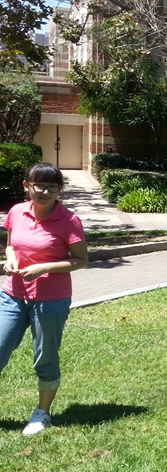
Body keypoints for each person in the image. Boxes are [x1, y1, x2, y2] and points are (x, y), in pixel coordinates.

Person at [0, 162, 88, 435]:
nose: (45, 191)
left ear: (59, 189)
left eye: (52, 186)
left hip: (51, 300)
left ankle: (42, 413)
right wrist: (10, 259)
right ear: (27, 186)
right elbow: (11, 245)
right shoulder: (16, 212)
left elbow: (81, 260)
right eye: (39, 185)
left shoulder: (69, 220)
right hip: (12, 295)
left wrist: (44, 268)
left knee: (45, 357)